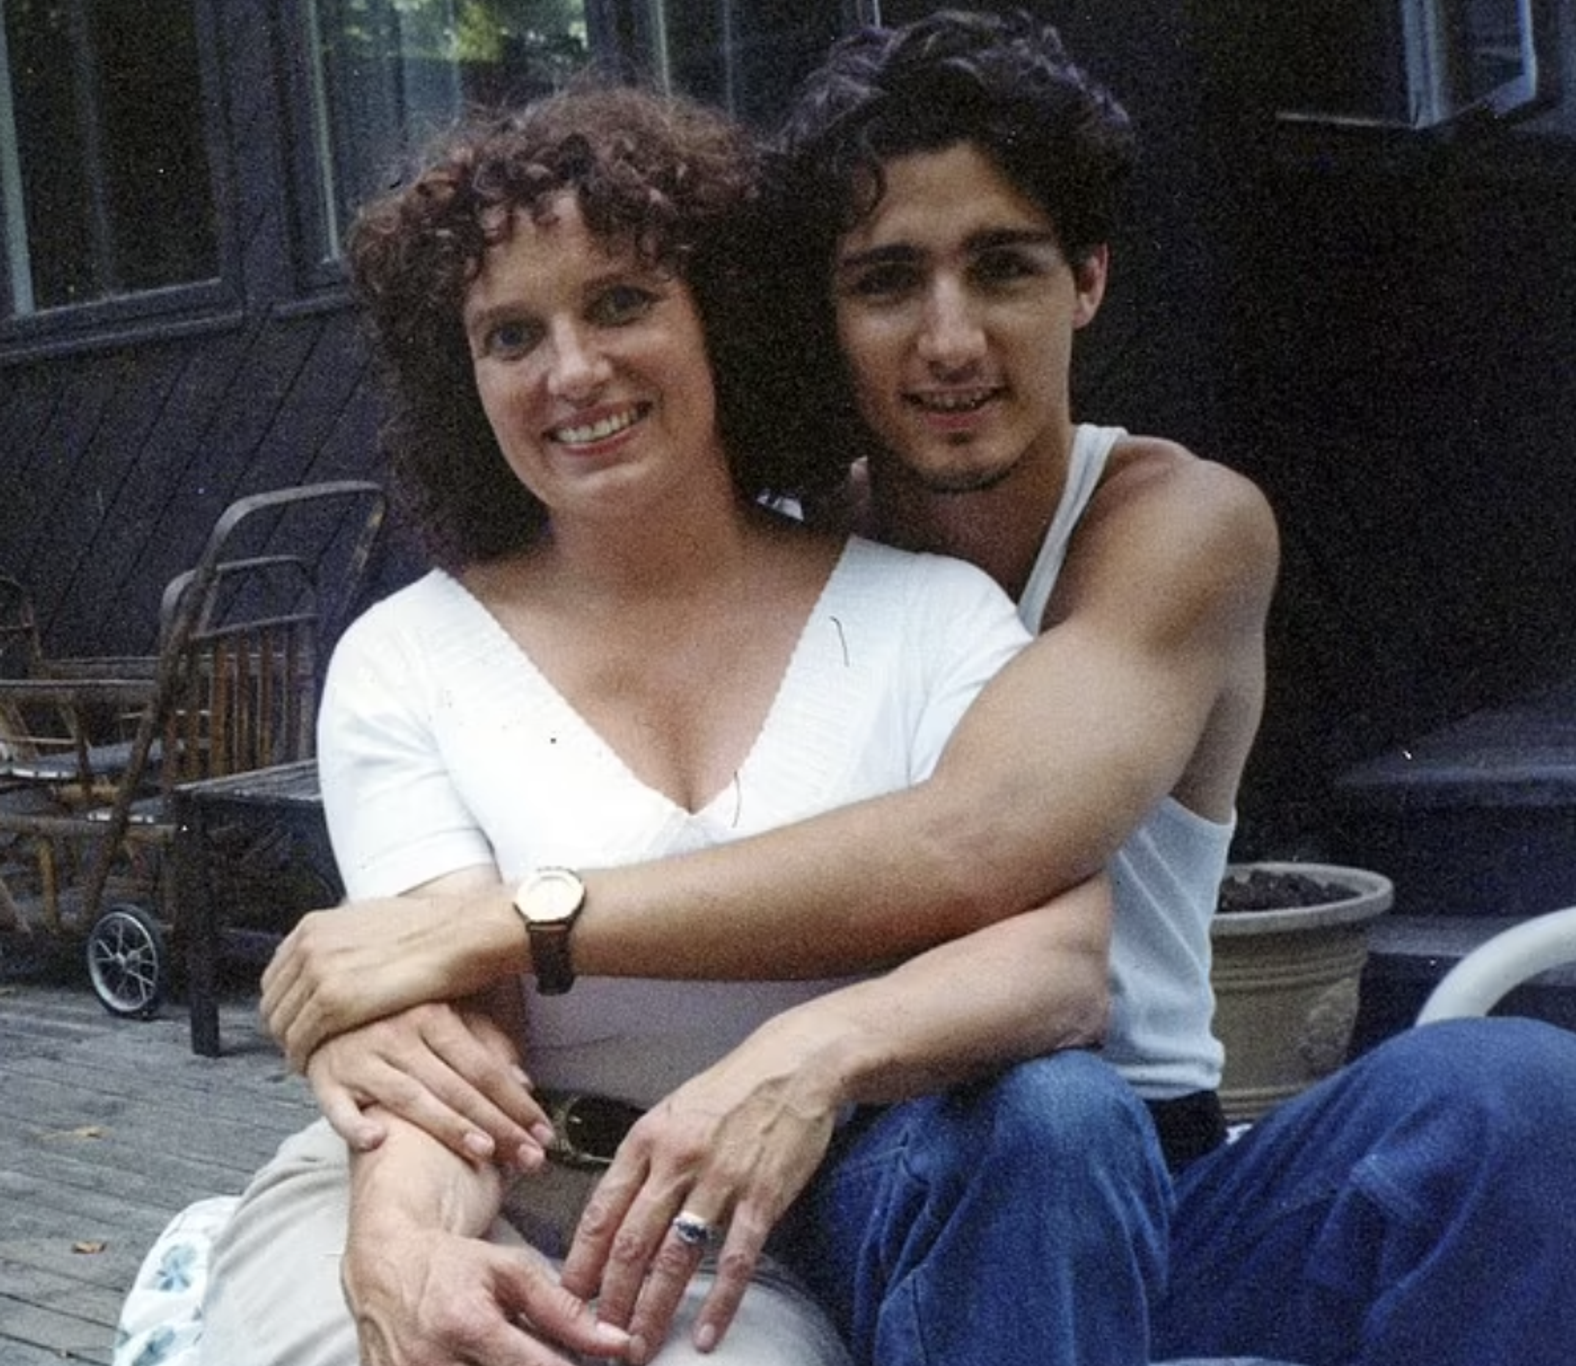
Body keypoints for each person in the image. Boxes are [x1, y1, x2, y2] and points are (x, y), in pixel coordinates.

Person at [258, 10, 1576, 1366]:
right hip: (893, 1169)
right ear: (821, 315)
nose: (949, 341)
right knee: (1035, 1124)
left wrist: (518, 928)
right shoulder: (794, 560)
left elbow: (983, 842)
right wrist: (364, 1031)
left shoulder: (1171, 526)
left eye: (1003, 268)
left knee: (1516, 1090)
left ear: (1086, 279)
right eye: (888, 281)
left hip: (1127, 1153)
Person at [170, 82, 1123, 1366]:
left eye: (621, 302)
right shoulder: (406, 657)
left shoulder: (927, 619)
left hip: (725, 1232)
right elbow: (453, 1028)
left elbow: (1059, 961)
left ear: (721, 315)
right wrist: (401, 1251)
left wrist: (804, 1054)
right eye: (511, 334)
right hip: (460, 1178)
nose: (573, 371)